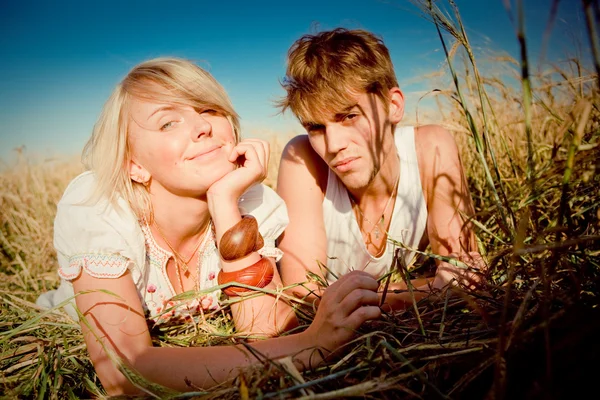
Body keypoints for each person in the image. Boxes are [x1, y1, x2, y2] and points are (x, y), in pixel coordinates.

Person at [36, 57, 382, 395]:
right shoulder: (97, 207)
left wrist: (224, 201)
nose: (203, 127)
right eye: (168, 123)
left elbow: (261, 331)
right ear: (134, 165)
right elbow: (123, 372)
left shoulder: (251, 203)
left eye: (208, 110)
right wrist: (310, 345)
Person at [276, 28, 484, 310]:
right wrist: (428, 289)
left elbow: (466, 278)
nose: (334, 145)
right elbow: (302, 295)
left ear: (393, 105)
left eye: (349, 116)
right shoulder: (302, 158)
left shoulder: (430, 147)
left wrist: (348, 299)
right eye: (316, 127)